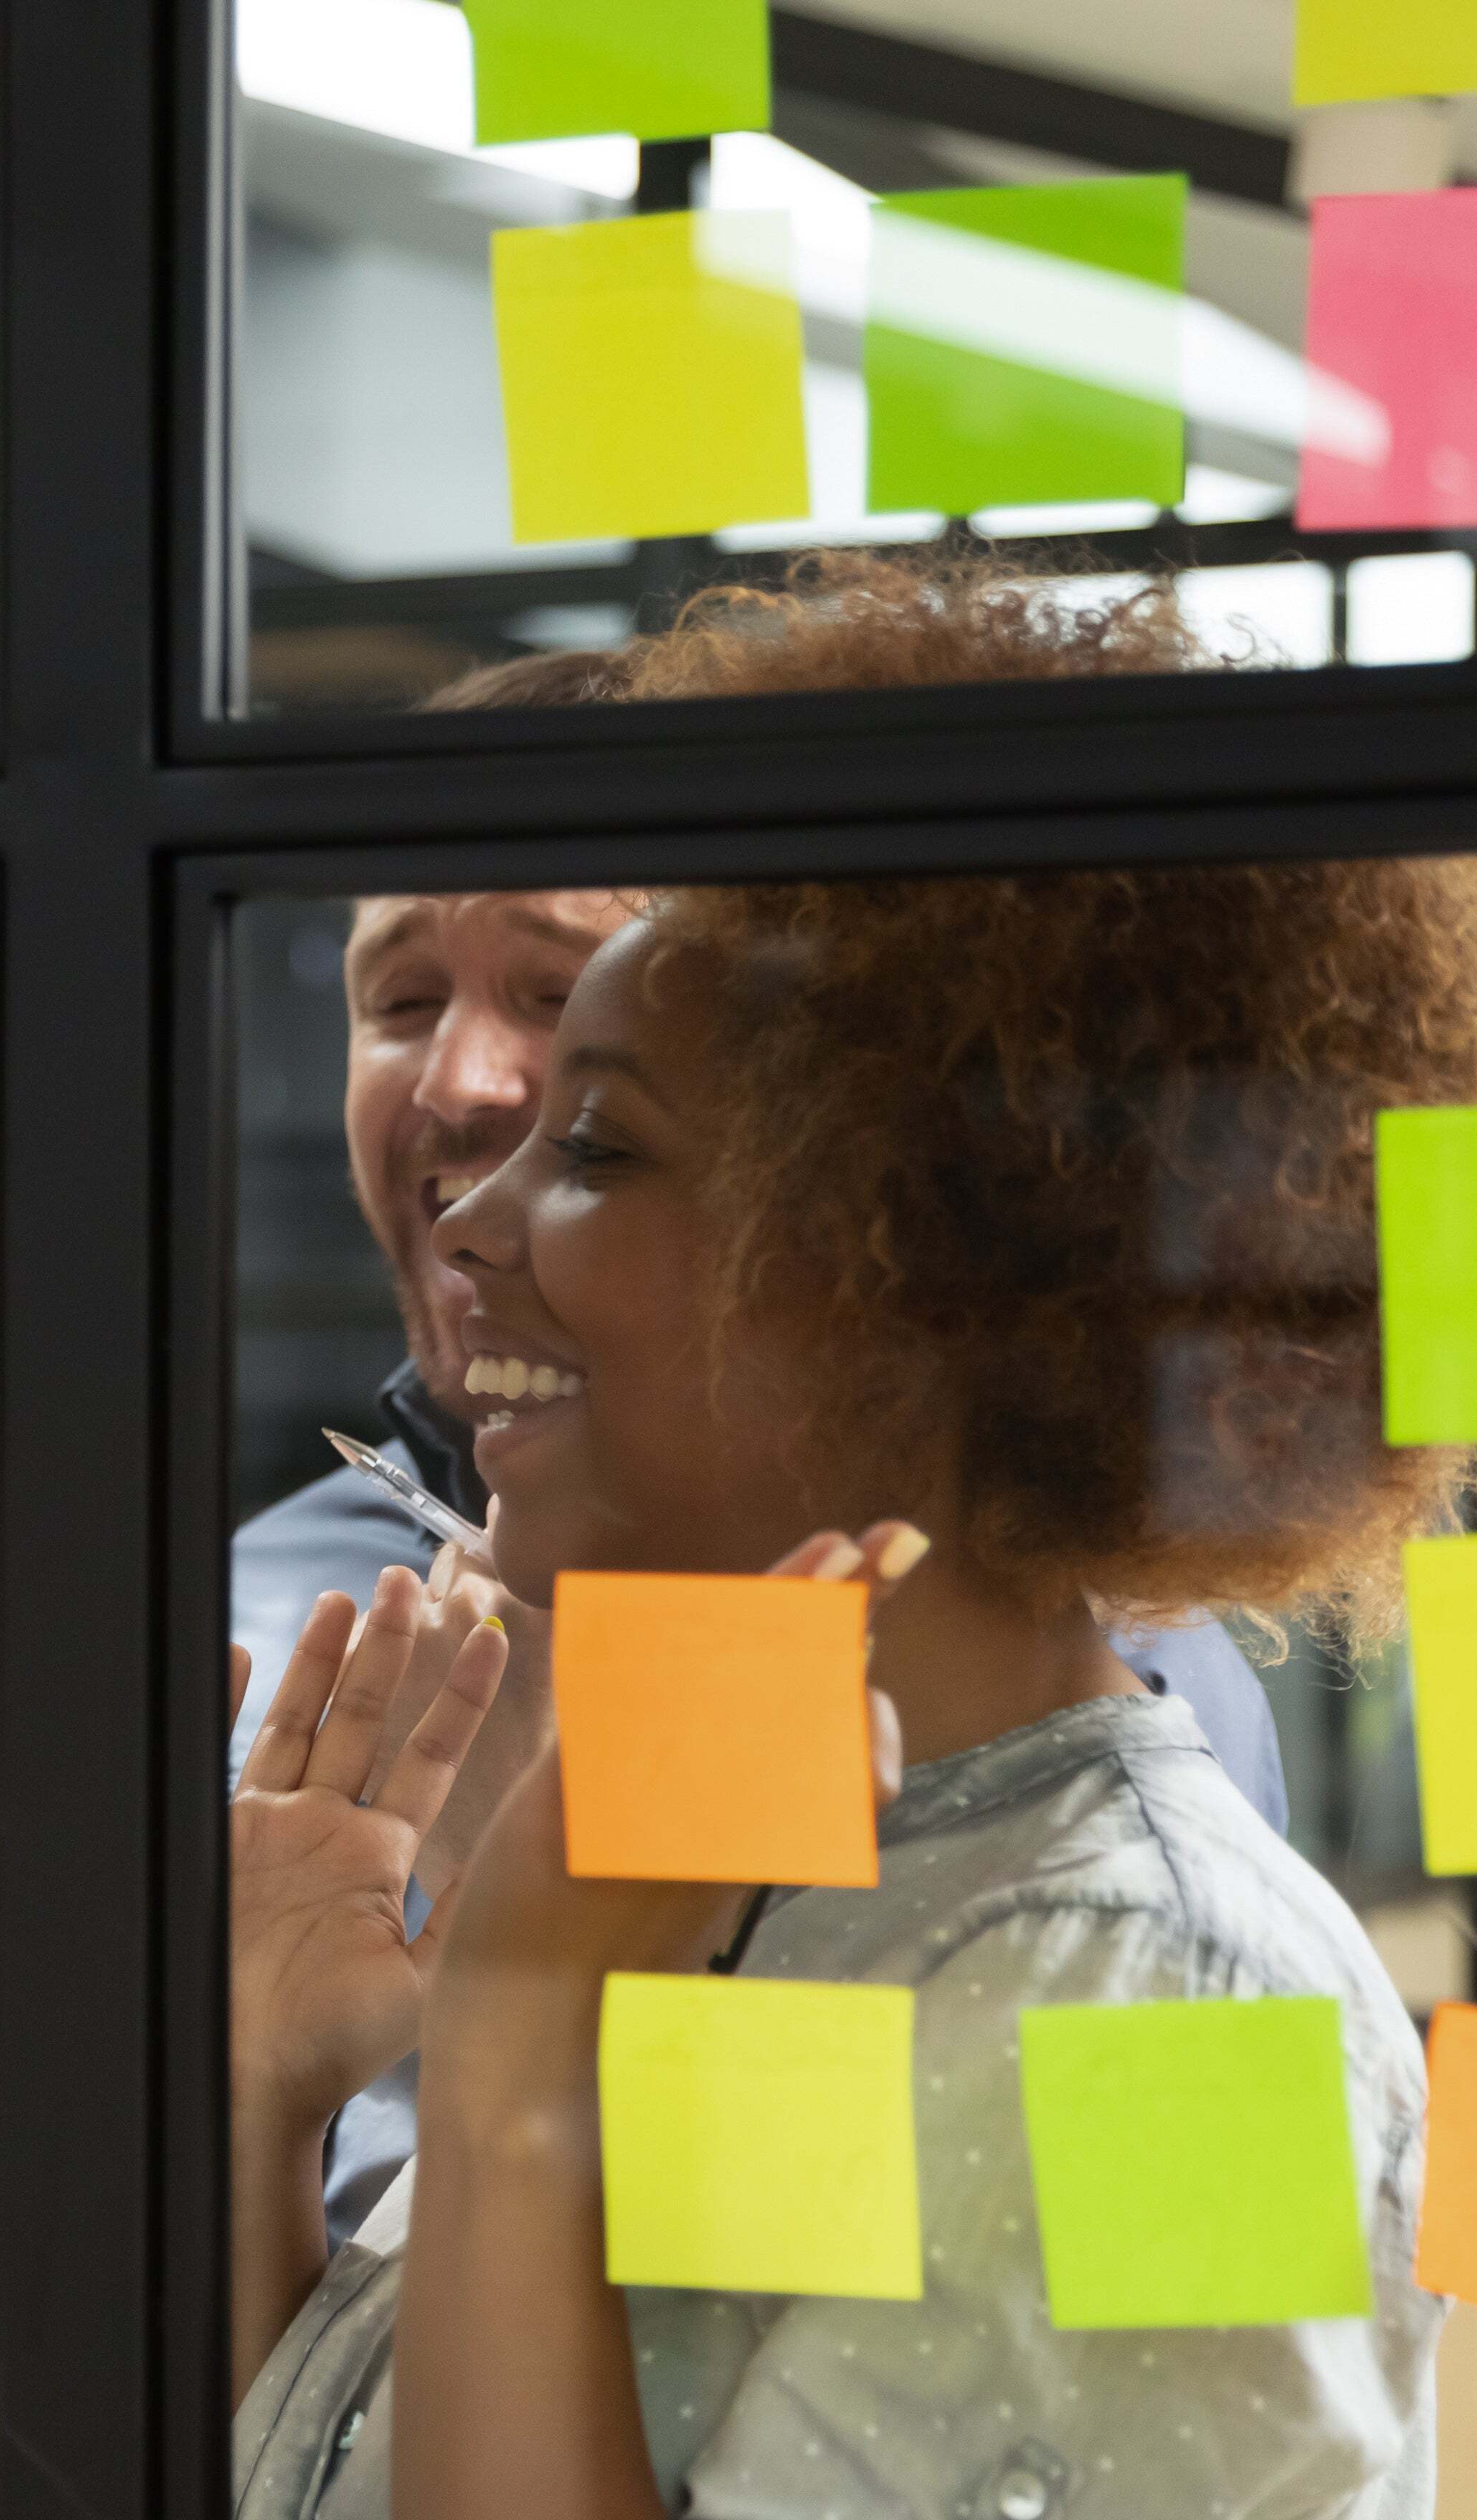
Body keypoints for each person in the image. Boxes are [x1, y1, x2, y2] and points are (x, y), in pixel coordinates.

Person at [231, 561, 1477, 2520]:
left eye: (604, 1145)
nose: (485, 1229)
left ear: (916, 1274)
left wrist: (521, 2038)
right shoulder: (718, 1866)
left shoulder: (1191, 2024)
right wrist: (261, 2099)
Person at [235, 647, 1291, 2245]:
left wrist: (537, 1977)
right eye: (397, 998)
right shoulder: (271, 1612)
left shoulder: (1080, 1710)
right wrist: (264, 2103)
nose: (461, 1108)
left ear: (838, 1201)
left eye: (586, 1093)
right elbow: (260, 2442)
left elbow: (758, 2387)